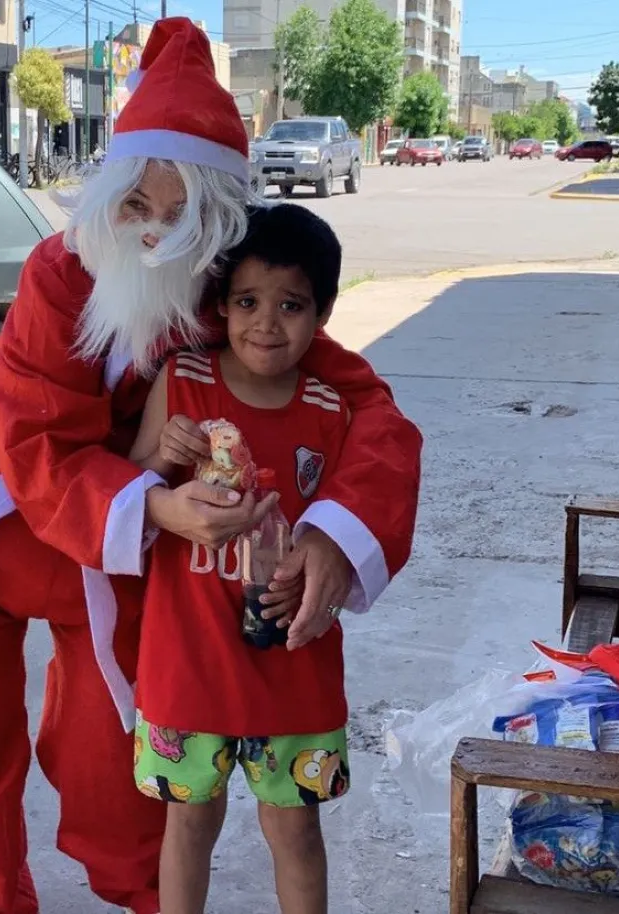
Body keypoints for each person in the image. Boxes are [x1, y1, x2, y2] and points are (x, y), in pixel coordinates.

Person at [0, 17, 423, 914]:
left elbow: (373, 412)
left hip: (119, 545)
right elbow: (34, 438)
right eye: (136, 204)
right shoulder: (59, 276)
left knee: (121, 756)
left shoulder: (236, 298)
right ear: (107, 199)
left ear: (219, 222)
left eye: (183, 216)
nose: (153, 233)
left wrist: (337, 532)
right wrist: (157, 506)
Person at [130, 203, 356, 914]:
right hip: (187, 659)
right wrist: (163, 456)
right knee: (188, 822)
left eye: (291, 305)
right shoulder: (184, 380)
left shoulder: (330, 407)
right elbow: (130, 478)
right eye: (249, 302)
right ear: (220, 305)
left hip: (292, 664)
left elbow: (350, 523)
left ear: (320, 315)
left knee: (296, 829)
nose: (267, 323)